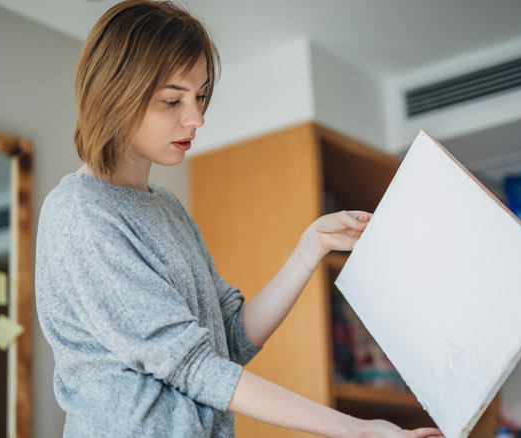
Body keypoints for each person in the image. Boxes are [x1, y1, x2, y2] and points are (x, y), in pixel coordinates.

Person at [35, 1, 444, 437]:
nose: (196, 118)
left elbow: (228, 339)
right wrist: (355, 430)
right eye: (172, 100)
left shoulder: (167, 207)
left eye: (200, 96)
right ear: (115, 95)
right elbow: (192, 365)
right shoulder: (79, 214)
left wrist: (311, 247)